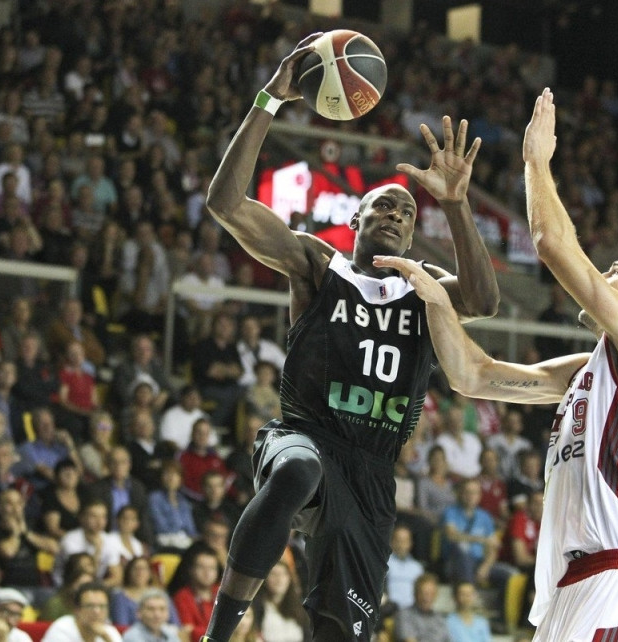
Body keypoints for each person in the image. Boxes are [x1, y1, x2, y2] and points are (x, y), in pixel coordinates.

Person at [199, 35, 497, 642]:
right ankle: (218, 634)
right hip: (306, 434)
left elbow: (483, 302)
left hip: (372, 474)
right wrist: (270, 98)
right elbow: (226, 203)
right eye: (383, 207)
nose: (395, 215)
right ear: (355, 220)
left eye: (406, 213)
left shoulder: (424, 289)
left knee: (340, 630)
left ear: (412, 234)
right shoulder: (317, 264)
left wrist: (456, 204)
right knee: (296, 472)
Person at [376, 88, 618, 641]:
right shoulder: (591, 370)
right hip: (576, 584)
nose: (603, 276)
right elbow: (472, 375)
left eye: (615, 272)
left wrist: (536, 161)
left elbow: (551, 244)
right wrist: (436, 299)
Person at [42, 582, 123, 642]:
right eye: (90, 606)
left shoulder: (110, 632)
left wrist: (107, 638)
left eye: (102, 606)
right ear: (77, 610)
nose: (96, 611)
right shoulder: (62, 629)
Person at [394, 573, 453, 642]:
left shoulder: (439, 618)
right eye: (423, 593)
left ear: (436, 595)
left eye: (431, 594)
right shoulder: (405, 615)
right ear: (415, 594)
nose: (427, 598)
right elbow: (408, 640)